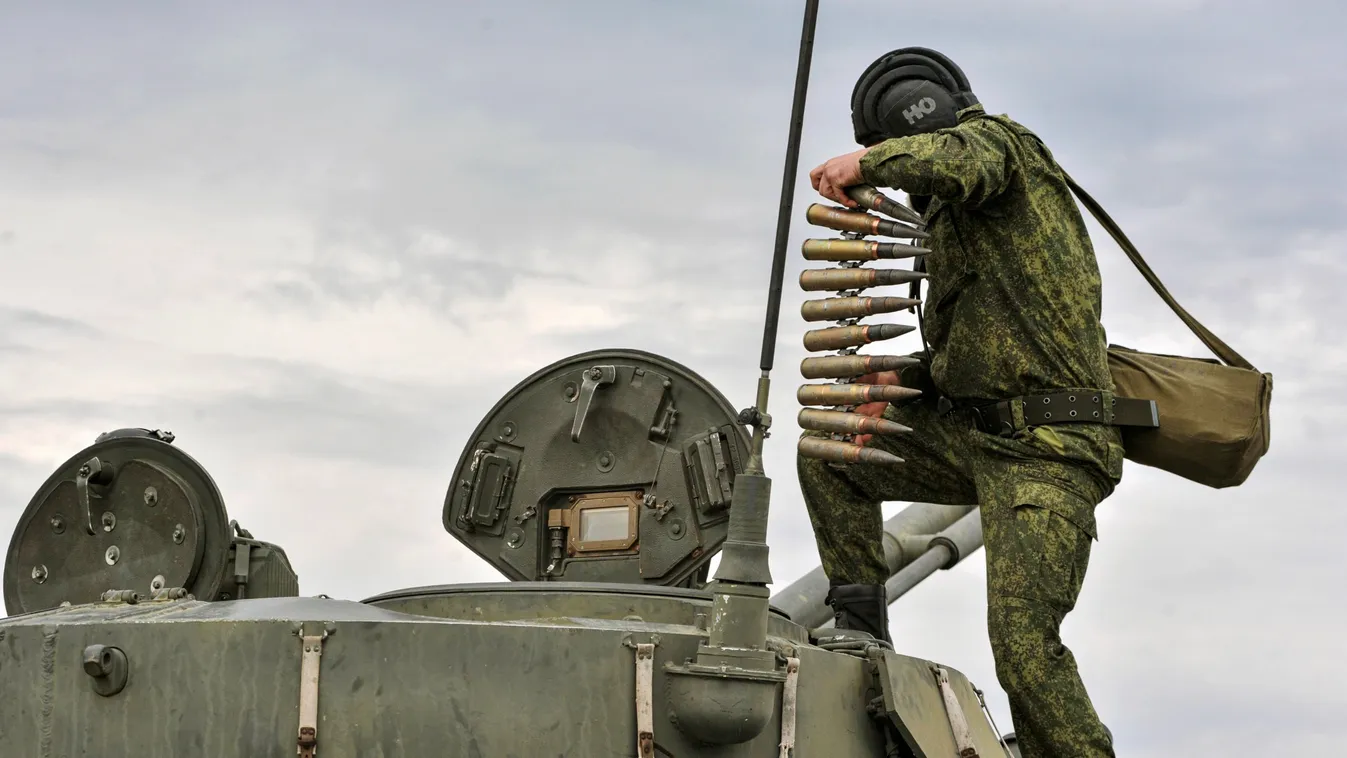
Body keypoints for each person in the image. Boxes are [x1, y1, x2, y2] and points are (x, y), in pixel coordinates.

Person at [800, 47, 1122, 758]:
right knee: (834, 448)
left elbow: (958, 157)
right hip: (974, 433)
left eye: (886, 147)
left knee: (1022, 647)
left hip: (1048, 447)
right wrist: (911, 377)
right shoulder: (960, 226)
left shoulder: (1002, 149)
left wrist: (865, 166)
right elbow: (983, 341)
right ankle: (857, 625)